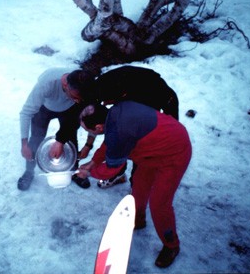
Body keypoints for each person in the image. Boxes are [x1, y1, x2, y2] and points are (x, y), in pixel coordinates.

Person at [76, 102, 192, 268]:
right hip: (153, 150)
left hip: (174, 152)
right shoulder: (114, 114)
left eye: (89, 131)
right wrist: (94, 162)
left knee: (159, 204)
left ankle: (171, 245)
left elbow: (112, 168)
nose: (88, 133)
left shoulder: (119, 133)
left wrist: (89, 173)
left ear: (99, 127)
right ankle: (138, 219)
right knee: (139, 187)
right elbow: (108, 144)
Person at [18, 68, 95, 191]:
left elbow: (94, 118)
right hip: (45, 107)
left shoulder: (84, 87)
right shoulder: (47, 84)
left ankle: (74, 171)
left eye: (80, 98)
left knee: (70, 138)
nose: (78, 101)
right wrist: (24, 144)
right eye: (75, 97)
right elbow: (26, 112)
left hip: (69, 110)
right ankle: (29, 171)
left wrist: (88, 145)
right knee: (36, 137)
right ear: (65, 85)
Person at [95, 65, 179, 120]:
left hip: (161, 96)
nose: (105, 104)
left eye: (106, 101)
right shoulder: (115, 83)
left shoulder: (151, 94)